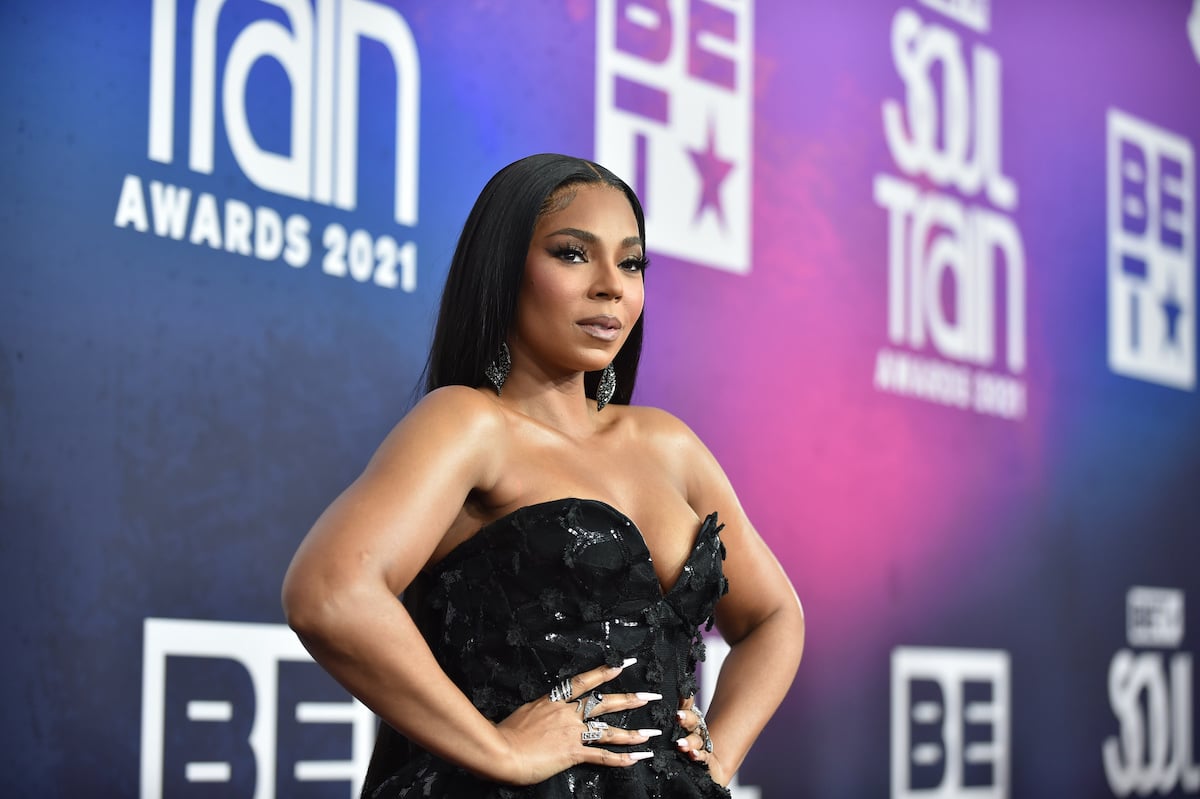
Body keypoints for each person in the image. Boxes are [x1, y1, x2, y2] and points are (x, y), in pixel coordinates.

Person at [282, 153, 804, 798]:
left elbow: (774, 616)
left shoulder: (668, 443)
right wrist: (499, 749)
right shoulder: (468, 424)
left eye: (632, 263)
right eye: (572, 254)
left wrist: (712, 763)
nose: (611, 286)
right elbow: (330, 593)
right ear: (504, 270)